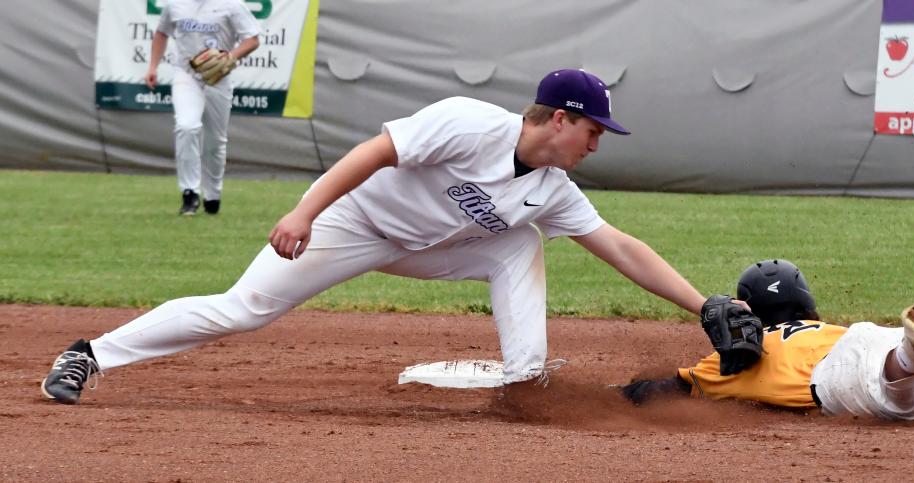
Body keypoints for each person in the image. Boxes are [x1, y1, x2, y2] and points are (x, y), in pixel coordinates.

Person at [41, 68, 719, 405]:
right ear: (563, 119)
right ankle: (89, 353)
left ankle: (523, 384)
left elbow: (621, 246)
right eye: (594, 131)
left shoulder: (551, 189)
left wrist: (704, 306)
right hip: (355, 223)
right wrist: (306, 212)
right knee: (243, 307)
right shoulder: (469, 121)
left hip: (429, 247)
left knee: (520, 243)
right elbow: (375, 152)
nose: (597, 145)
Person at [622, 259, 914, 420]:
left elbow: (661, 391)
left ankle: (910, 355)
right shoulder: (828, 329)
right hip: (869, 336)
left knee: (898, 402)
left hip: (836, 374)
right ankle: (911, 352)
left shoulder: (743, 355)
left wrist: (613, 395)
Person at [145, 0, 261, 215]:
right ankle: (189, 193)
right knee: (186, 127)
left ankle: (213, 194)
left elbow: (252, 39)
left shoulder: (231, 4)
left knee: (215, 142)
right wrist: (153, 66)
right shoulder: (175, 4)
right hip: (186, 74)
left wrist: (229, 57)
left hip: (219, 75)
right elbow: (162, 32)